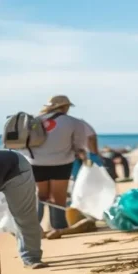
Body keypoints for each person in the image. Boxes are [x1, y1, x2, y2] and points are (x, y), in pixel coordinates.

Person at [24, 95, 89, 233]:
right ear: (65, 107)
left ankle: (33, 228)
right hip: (62, 162)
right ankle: (58, 227)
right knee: (58, 197)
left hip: (36, 162)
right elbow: (79, 144)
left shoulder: (34, 120)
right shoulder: (74, 122)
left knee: (40, 196)